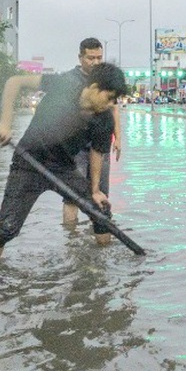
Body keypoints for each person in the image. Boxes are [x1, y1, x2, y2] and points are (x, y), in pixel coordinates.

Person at [0, 62, 128, 261]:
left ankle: (100, 271)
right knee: (7, 229)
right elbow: (14, 82)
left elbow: (97, 154)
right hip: (29, 163)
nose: (111, 104)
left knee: (101, 214)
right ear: (95, 88)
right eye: (110, 97)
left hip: (63, 168)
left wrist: (95, 190)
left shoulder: (104, 120)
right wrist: (5, 122)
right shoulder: (63, 84)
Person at [61, 38, 123, 228]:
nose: (95, 62)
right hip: (75, 148)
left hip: (100, 146)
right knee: (72, 196)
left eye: (99, 58)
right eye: (90, 58)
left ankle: (99, 237)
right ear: (80, 57)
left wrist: (118, 137)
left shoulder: (105, 79)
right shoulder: (69, 79)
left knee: (101, 193)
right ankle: (71, 239)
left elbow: (113, 108)